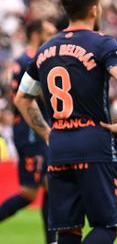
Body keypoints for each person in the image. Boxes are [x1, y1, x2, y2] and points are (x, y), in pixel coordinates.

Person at [15, 0, 117, 244]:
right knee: (109, 224)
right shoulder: (102, 43)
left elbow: (22, 98)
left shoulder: (44, 50)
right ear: (94, 10)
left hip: (59, 146)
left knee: (68, 231)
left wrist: (47, 134)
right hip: (94, 143)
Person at [0, 19, 57, 244]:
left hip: (38, 130)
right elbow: (26, 98)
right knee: (29, 192)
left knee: (51, 185)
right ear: (35, 35)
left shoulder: (31, 60)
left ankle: (52, 240)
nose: (53, 37)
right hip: (30, 131)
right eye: (48, 33)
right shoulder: (27, 61)